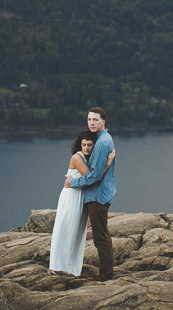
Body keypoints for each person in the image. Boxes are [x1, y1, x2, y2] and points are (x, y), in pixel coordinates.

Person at [48, 130, 113, 275]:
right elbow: (93, 177)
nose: (86, 148)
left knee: (77, 233)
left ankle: (72, 268)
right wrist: (107, 163)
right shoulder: (77, 158)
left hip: (80, 197)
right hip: (71, 196)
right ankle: (60, 267)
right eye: (84, 144)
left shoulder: (88, 158)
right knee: (67, 230)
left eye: (90, 145)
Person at [65, 107, 116, 280]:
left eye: (95, 120)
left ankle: (105, 276)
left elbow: (94, 176)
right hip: (98, 194)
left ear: (103, 121)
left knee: (100, 238)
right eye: (89, 119)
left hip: (97, 195)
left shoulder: (102, 143)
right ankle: (106, 273)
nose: (92, 123)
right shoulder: (101, 139)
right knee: (102, 235)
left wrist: (73, 182)